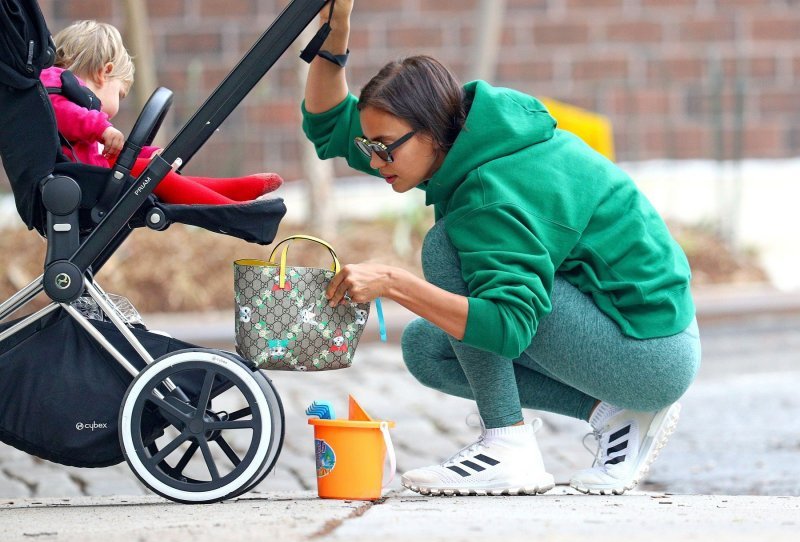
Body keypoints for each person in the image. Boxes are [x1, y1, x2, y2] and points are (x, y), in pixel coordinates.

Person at [304, 1, 701, 497]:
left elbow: (509, 326)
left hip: (649, 353)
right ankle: (615, 415)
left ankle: (507, 448)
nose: (375, 159)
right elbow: (325, 125)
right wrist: (335, 37)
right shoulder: (464, 137)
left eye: (384, 147)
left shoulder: (490, 193)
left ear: (428, 132)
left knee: (445, 250)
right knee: (428, 349)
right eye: (370, 148)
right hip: (638, 333)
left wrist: (392, 283)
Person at [43, 20, 283, 205]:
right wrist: (102, 127)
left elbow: (112, 151)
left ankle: (230, 192)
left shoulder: (73, 104)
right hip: (80, 184)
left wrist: (152, 153)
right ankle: (227, 207)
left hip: (88, 177)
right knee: (153, 177)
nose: (115, 109)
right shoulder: (52, 86)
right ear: (102, 74)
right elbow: (62, 113)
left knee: (155, 171)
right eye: (120, 94)